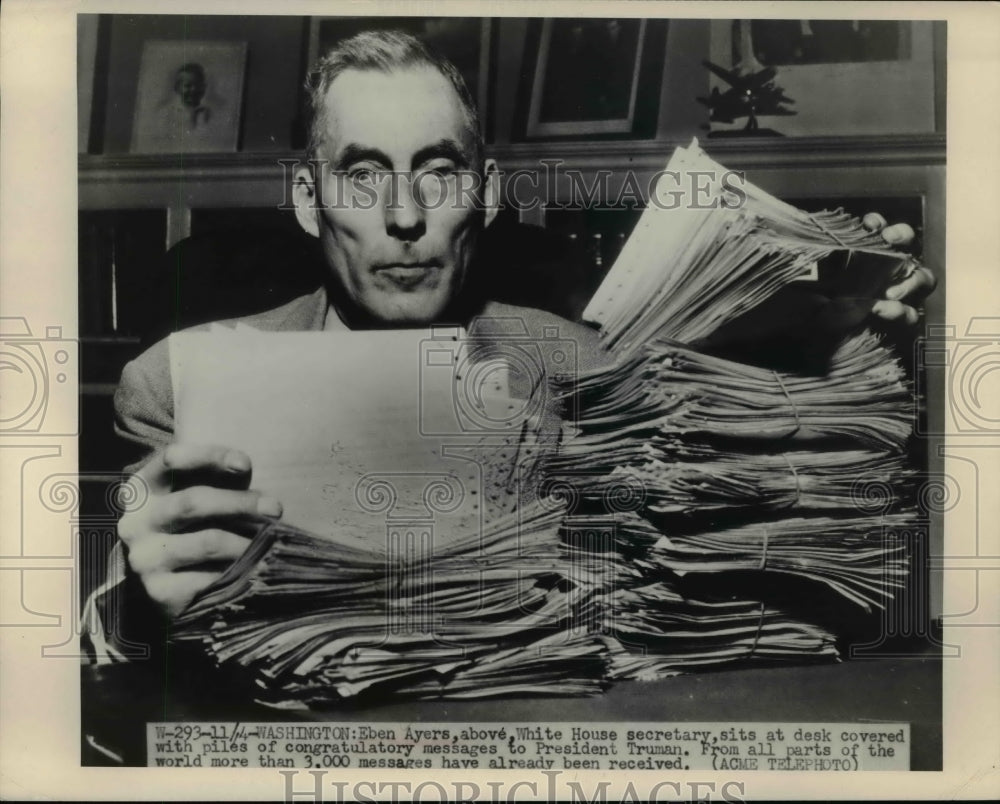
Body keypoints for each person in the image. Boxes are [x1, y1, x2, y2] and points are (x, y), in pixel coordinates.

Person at [83, 29, 936, 663]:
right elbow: (136, 646)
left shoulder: (595, 369)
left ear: (485, 195)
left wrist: (844, 375)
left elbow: (767, 595)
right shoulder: (177, 386)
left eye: (440, 169)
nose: (406, 214)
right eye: (363, 172)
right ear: (309, 200)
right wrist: (137, 606)